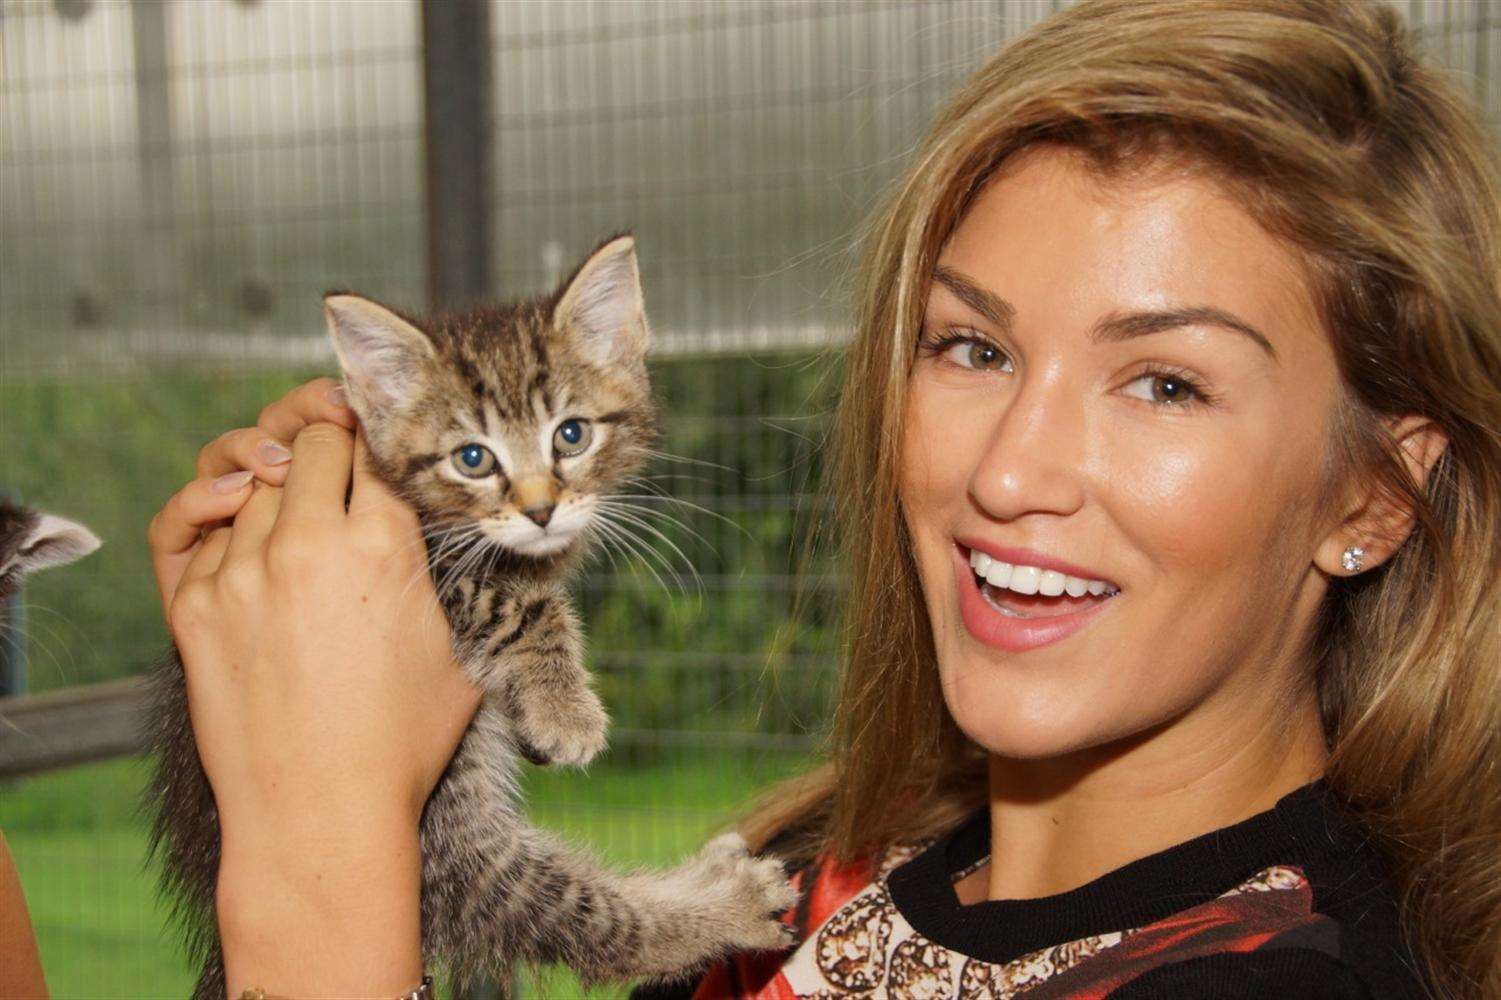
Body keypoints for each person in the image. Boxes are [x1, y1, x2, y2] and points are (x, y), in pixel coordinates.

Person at [148, 0, 1501, 996]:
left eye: (1162, 384)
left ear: (1374, 498)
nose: (1007, 471)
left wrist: (314, 844)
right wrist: (277, 666)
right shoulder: (818, 873)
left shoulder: (1272, 977)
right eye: (971, 348)